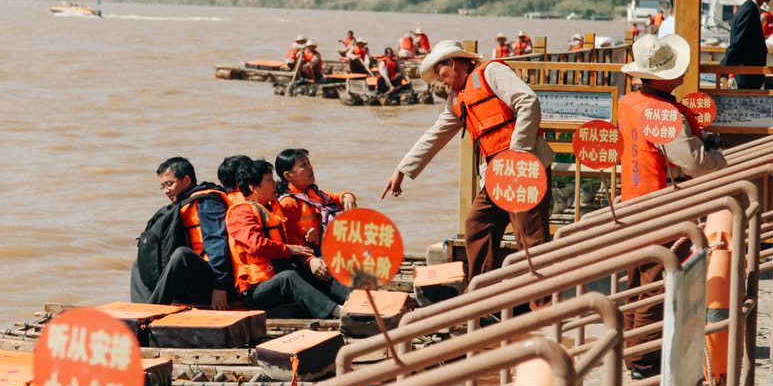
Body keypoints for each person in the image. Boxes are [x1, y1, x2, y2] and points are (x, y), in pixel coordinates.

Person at [382, 40, 554, 283]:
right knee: (477, 224)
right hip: (496, 172)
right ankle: (484, 298)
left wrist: (517, 152)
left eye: (441, 74)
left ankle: (543, 309)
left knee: (529, 239)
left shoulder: (491, 72)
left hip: (524, 165)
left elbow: (528, 102)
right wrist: (402, 170)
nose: (441, 81)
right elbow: (435, 135)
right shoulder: (457, 99)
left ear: (452, 63)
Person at [618, 34, 727, 378]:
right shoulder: (665, 113)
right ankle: (646, 360)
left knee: (637, 280)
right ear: (660, 76)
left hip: (634, 200)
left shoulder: (629, 102)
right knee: (659, 280)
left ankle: (632, 351)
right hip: (666, 205)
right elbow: (693, 162)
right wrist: (718, 158)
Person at [228, 159, 351, 319]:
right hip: (255, 290)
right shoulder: (241, 213)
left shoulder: (273, 208)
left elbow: (294, 235)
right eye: (269, 180)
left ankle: (354, 301)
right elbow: (256, 245)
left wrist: (312, 236)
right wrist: (289, 249)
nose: (275, 183)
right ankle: (338, 313)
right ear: (254, 188)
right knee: (288, 278)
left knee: (319, 266)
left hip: (279, 272)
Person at [130, 157, 233, 308]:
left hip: (212, 282)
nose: (166, 191)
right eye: (163, 186)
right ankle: (140, 310)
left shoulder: (207, 202)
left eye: (169, 184)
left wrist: (220, 287)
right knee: (140, 264)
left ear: (186, 180)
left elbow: (217, 242)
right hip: (188, 282)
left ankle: (149, 311)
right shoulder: (182, 205)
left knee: (182, 255)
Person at [275, 148, 357, 252]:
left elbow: (338, 197)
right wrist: (310, 255)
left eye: (308, 163)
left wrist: (348, 196)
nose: (310, 167)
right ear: (288, 175)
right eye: (303, 165)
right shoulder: (288, 203)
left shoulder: (312, 193)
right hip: (310, 254)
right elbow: (293, 240)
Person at [720, 0, 773, 89]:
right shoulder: (748, 11)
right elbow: (738, 41)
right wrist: (724, 66)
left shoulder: (752, 9)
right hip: (746, 73)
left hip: (750, 73)